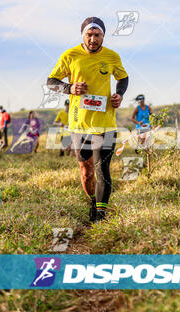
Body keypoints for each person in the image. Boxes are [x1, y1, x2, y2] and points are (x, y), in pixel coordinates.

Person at [47, 17, 128, 222]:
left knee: (103, 170)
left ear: (103, 36)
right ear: (83, 35)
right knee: (86, 171)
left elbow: (123, 77)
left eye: (97, 35)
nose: (93, 39)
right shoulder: (71, 55)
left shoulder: (112, 57)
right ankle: (93, 200)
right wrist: (69, 88)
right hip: (79, 124)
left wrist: (119, 94)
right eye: (89, 35)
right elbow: (51, 81)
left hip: (105, 123)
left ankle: (100, 217)